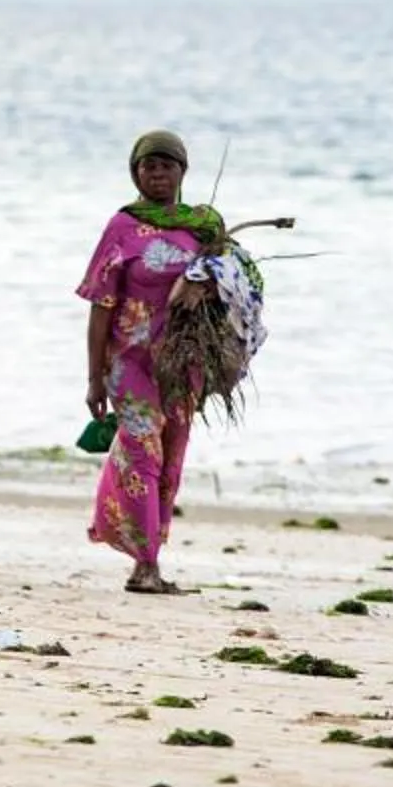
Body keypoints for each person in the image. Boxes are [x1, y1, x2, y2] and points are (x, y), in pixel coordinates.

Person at [77, 128, 234, 593]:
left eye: (167, 165)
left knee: (170, 462)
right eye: (149, 165)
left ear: (183, 172)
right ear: (136, 174)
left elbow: (233, 291)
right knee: (143, 454)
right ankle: (145, 566)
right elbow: (99, 303)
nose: (158, 173)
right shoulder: (122, 227)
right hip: (130, 363)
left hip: (183, 366)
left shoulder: (204, 226)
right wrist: (94, 378)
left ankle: (149, 555)